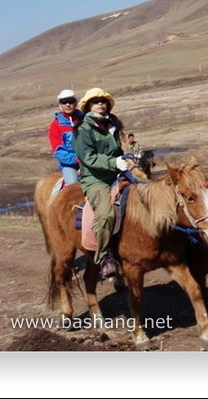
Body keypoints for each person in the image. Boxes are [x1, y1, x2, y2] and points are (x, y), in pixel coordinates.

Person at [72, 87, 128, 279]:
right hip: (96, 179)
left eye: (103, 101)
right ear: (88, 106)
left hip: (117, 174)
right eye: (95, 101)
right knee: (105, 215)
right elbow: (88, 158)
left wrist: (128, 159)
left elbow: (117, 151)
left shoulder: (111, 124)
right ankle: (104, 257)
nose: (100, 104)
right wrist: (114, 162)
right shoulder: (83, 129)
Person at [47, 89, 84, 186]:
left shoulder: (85, 120)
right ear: (60, 105)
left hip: (90, 160)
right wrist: (77, 159)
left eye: (70, 101)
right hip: (70, 165)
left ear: (75, 103)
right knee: (73, 186)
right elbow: (58, 151)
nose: (68, 104)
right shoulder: (55, 125)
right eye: (64, 102)